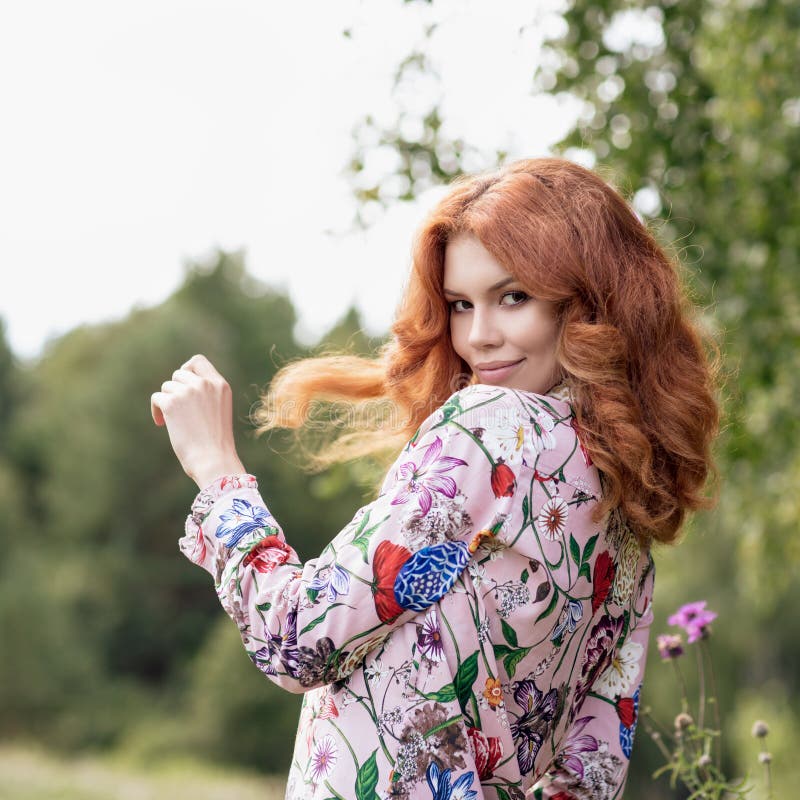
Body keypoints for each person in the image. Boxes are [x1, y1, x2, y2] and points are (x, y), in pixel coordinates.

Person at [150, 157, 720, 800]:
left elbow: (298, 638)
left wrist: (218, 472)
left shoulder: (489, 427)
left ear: (589, 302)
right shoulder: (628, 519)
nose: (479, 336)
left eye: (514, 297)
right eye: (458, 304)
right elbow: (588, 780)